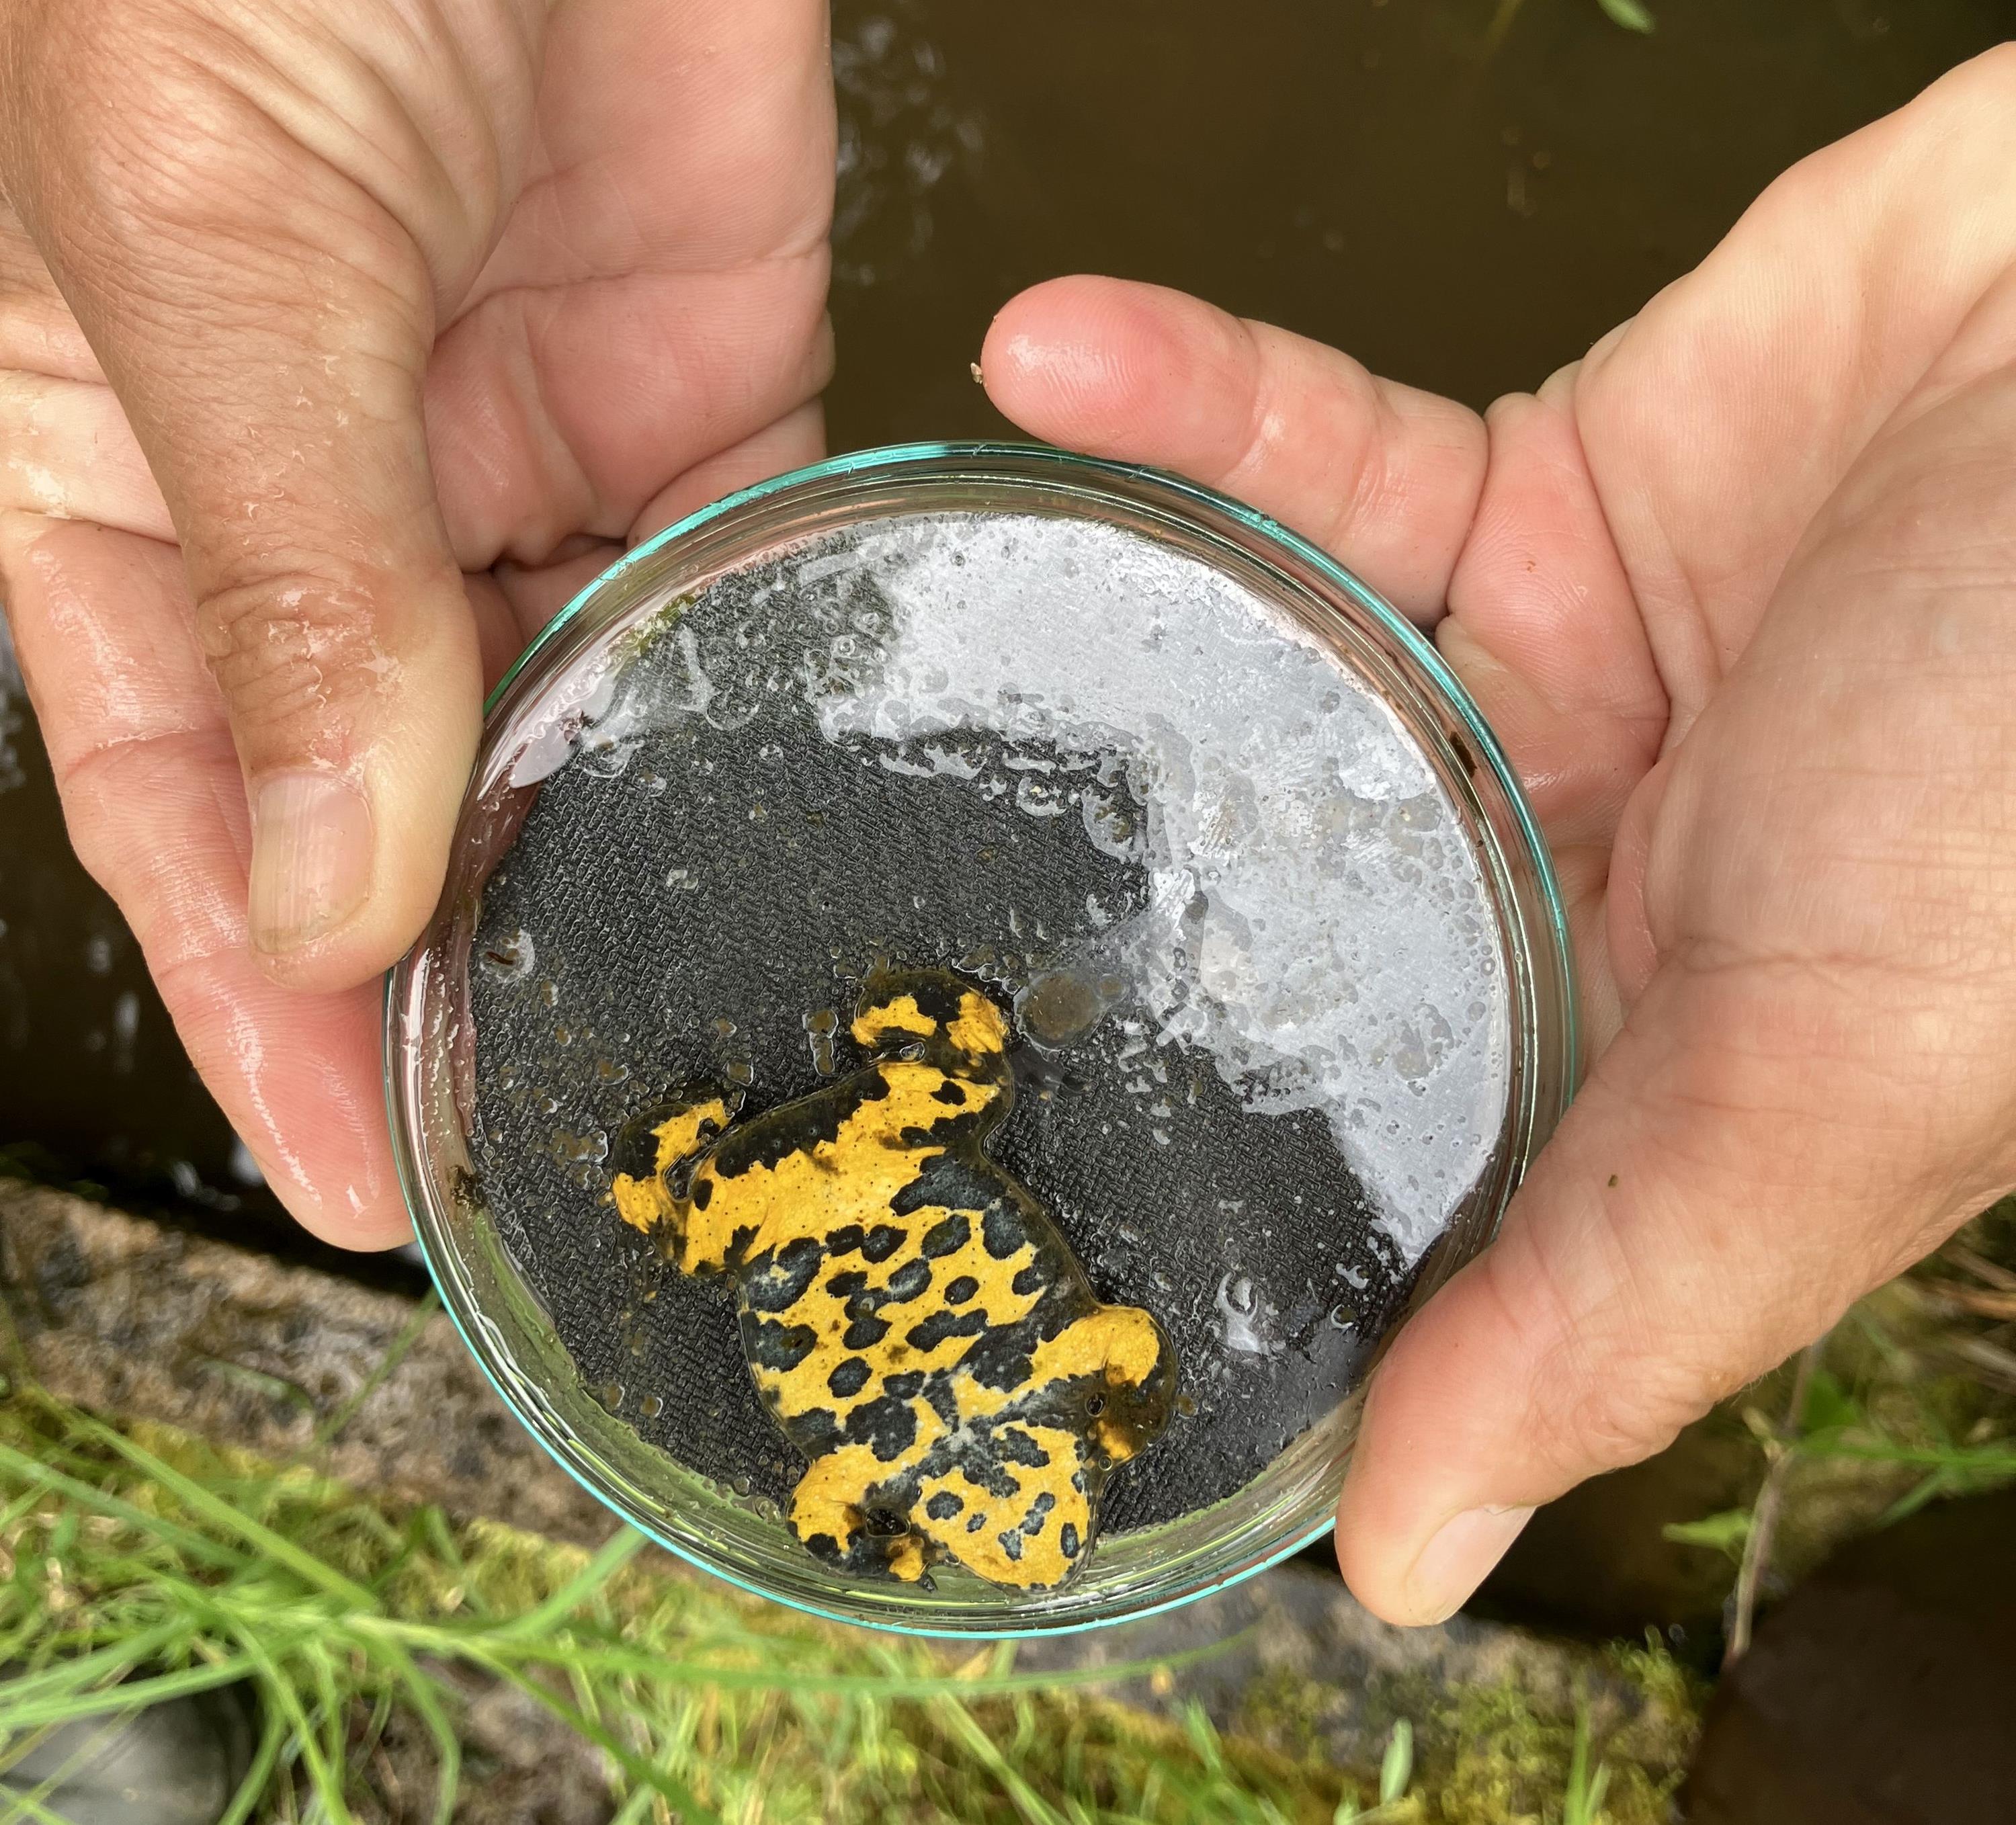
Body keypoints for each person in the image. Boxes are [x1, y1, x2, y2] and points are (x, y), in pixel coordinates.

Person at [0, 2, 2010, 1632]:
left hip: (853, 1241)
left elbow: (1015, 1233)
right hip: (841, 1236)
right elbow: (994, 1199)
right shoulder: (951, 1324)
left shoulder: (984, 1358)